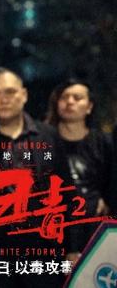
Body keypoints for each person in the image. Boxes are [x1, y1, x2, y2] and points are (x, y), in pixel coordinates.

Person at [0, 67, 64, 288]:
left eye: (10, 91)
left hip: (42, 247)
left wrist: (72, 246)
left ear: (24, 94)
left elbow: (65, 189)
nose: (3, 99)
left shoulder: (48, 136)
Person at [45, 79, 113, 262]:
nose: (70, 102)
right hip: (53, 229)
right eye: (64, 97)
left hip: (95, 228)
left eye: (77, 98)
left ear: (89, 106)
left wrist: (105, 198)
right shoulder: (43, 141)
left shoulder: (103, 143)